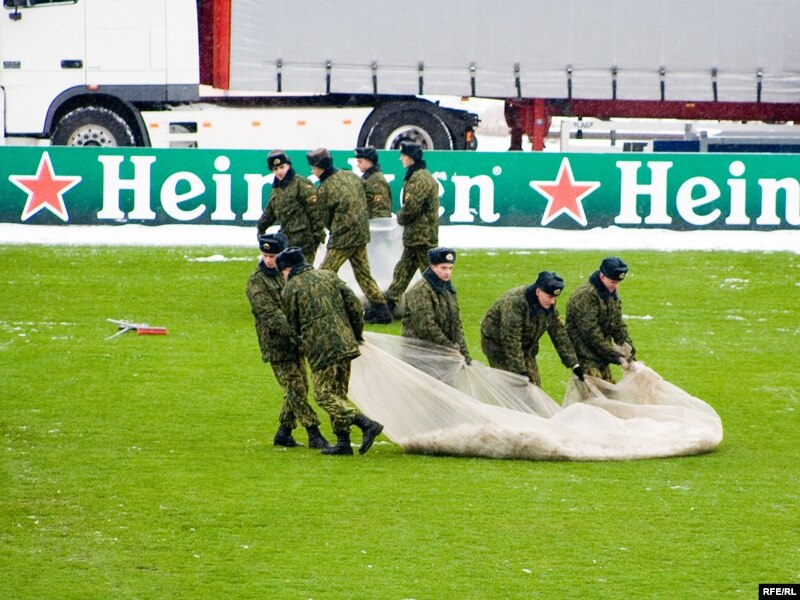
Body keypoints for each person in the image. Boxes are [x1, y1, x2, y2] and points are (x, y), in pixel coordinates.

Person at [276, 246, 384, 456]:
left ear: (287, 269)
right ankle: (343, 443)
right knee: (338, 394)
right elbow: (354, 305)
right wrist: (355, 333)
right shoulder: (329, 276)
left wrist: (301, 343)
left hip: (321, 349)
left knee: (324, 395)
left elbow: (293, 324)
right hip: (345, 342)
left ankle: (365, 423)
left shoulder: (290, 289)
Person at [245, 233, 331, 450]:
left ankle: (284, 432)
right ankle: (313, 432)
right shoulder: (256, 282)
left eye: (272, 256)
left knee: (300, 386)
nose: (268, 260)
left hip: (296, 340)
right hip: (276, 343)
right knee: (295, 388)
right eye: (265, 255)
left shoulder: (289, 273)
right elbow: (269, 314)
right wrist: (296, 333)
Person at [307, 148, 393, 325]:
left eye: (313, 168)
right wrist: (358, 212)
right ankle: (382, 310)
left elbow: (324, 217)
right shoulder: (350, 175)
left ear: (320, 168)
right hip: (361, 234)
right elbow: (371, 193)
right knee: (363, 274)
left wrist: (337, 226)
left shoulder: (324, 188)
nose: (312, 171)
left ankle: (316, 309)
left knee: (324, 273)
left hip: (342, 238)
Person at [480, 271, 584, 386]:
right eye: (550, 297)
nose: (553, 301)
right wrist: (520, 371)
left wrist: (574, 364)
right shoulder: (515, 302)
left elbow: (559, 333)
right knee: (513, 386)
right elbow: (511, 339)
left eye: (555, 297)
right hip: (498, 346)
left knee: (534, 386)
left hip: (526, 346)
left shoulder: (548, 304)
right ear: (538, 291)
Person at [384, 142, 440, 317]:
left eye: (403, 155)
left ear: (412, 158)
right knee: (403, 271)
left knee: (432, 274)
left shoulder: (419, 179)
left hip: (421, 237)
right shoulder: (418, 176)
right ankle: (389, 304)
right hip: (417, 236)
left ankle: (443, 306)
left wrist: (400, 217)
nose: (401, 158)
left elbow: (412, 208)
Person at [565, 256, 636, 382]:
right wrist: (613, 355)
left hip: (601, 356)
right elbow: (590, 332)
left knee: (609, 392)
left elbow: (617, 324)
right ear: (602, 276)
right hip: (585, 358)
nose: (616, 286)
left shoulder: (609, 293)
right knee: (594, 393)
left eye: (618, 282)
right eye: (613, 282)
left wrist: (627, 348)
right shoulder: (585, 296)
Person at [401, 247, 471, 364]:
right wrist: (451, 348)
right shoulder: (419, 291)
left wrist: (465, 356)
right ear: (433, 267)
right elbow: (426, 326)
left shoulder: (448, 290)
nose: (448, 272)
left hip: (443, 355)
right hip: (420, 356)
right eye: (443, 268)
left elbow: (456, 325)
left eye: (450, 268)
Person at [256, 149, 326, 263]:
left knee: (303, 272)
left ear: (288, 165)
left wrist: (318, 236)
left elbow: (315, 211)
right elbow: (270, 211)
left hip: (304, 243)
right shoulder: (276, 188)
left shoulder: (300, 183)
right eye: (275, 169)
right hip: (286, 242)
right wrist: (261, 227)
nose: (279, 172)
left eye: (282, 167)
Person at [354, 146, 393, 218]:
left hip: (376, 223)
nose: (357, 165)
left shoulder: (377, 181)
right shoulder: (369, 178)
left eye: (360, 161)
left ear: (369, 161)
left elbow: (382, 210)